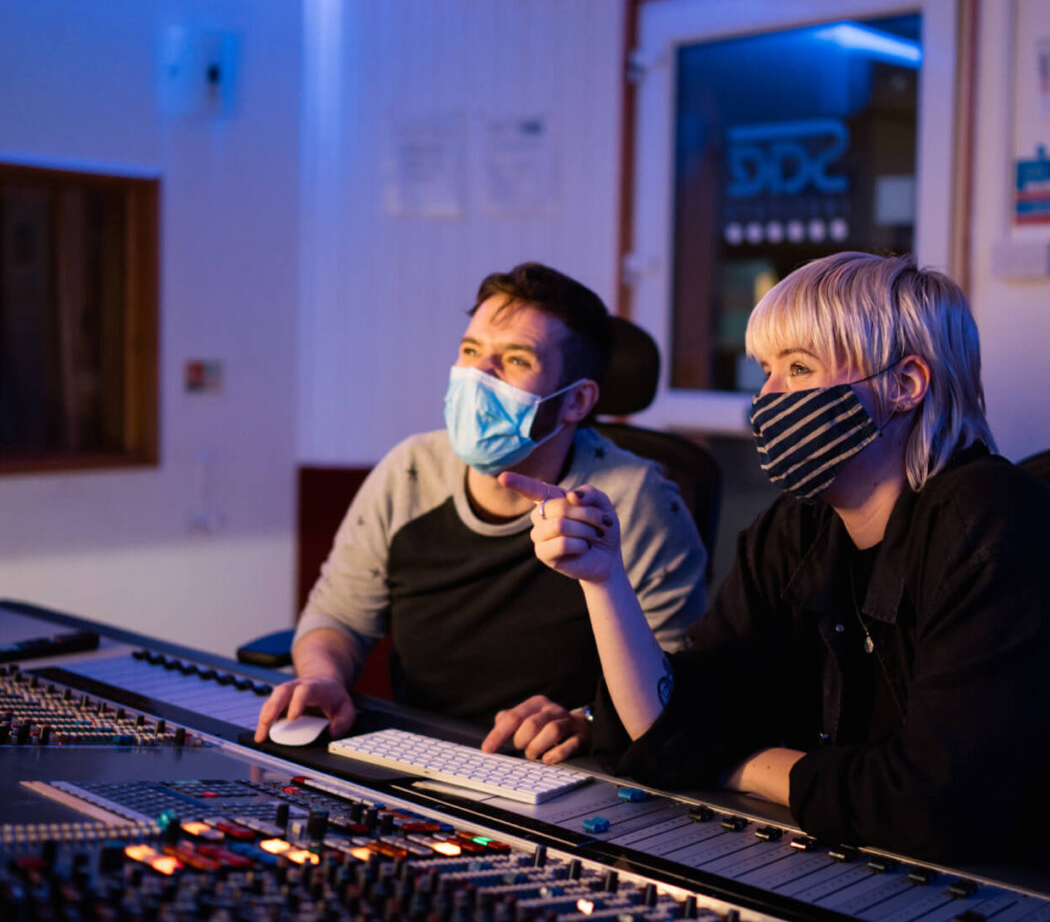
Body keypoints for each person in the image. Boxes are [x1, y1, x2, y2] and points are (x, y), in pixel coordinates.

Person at [505, 251, 1050, 866]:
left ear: (904, 385)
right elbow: (670, 727)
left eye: (798, 368)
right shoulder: (794, 528)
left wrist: (740, 765)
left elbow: (934, 800)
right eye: (765, 371)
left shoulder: (991, 522)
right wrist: (603, 579)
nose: (766, 398)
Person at [255, 262, 707, 762]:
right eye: (471, 351)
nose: (478, 374)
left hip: (557, 768)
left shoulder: (633, 498)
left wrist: (588, 721)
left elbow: (676, 680)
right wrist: (323, 676)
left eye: (515, 359)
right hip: (416, 752)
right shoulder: (409, 470)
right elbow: (339, 617)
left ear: (576, 401)